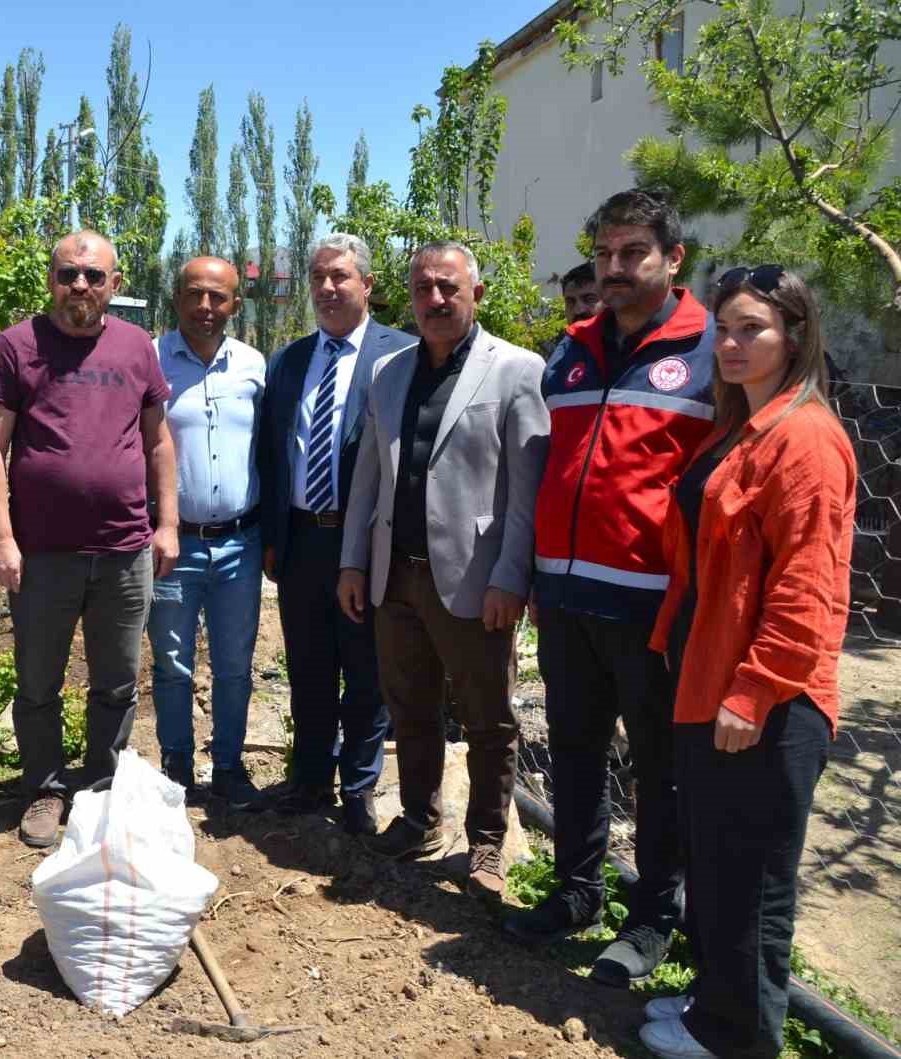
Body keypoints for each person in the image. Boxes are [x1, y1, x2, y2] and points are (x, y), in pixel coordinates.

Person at [639, 267, 854, 1059]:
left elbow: (809, 589)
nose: (729, 344)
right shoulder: (740, 424)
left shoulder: (806, 441)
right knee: (719, 864)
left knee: (755, 881)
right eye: (722, 329)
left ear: (794, 336)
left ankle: (741, 1038)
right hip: (710, 678)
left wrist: (754, 691)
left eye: (752, 329)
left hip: (766, 703)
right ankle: (714, 1005)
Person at [505, 189, 715, 987]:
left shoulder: (706, 349)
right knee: (576, 754)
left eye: (634, 253)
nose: (616, 268)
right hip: (562, 600)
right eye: (605, 254)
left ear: (674, 259)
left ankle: (656, 917)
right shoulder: (571, 348)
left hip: (652, 609)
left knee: (657, 770)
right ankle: (577, 892)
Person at [338, 242, 549, 900]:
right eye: (423, 287)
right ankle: (418, 816)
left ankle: (486, 839)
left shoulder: (517, 371)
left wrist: (511, 576)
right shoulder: (391, 373)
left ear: (475, 294)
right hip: (394, 573)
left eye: (448, 287)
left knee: (488, 717)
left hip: (474, 578)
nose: (434, 299)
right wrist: (352, 560)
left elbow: (525, 491)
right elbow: (369, 477)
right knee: (410, 704)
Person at [0, 230, 178, 849]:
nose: (81, 287)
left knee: (117, 680)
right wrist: (1, 535)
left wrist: (166, 522)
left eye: (94, 276)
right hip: (42, 553)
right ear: (51, 280)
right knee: (38, 680)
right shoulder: (17, 346)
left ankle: (99, 787)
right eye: (69, 275)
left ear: (115, 285)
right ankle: (44, 787)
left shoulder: (136, 346)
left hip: (123, 549)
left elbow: (158, 441)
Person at [256, 233, 413, 831]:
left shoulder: (400, 355)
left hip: (366, 541)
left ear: (367, 284)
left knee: (366, 669)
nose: (326, 287)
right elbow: (274, 456)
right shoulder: (290, 360)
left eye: (340, 276)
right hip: (301, 541)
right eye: (318, 277)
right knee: (309, 665)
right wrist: (274, 536)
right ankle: (311, 779)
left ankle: (360, 788)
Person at [147, 257, 267, 810]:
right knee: (172, 663)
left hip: (240, 544)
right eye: (194, 295)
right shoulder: (150, 360)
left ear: (234, 304)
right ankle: (176, 767)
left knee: (234, 665)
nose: (205, 307)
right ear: (177, 298)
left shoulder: (254, 366)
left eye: (218, 297)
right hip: (175, 542)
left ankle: (227, 765)